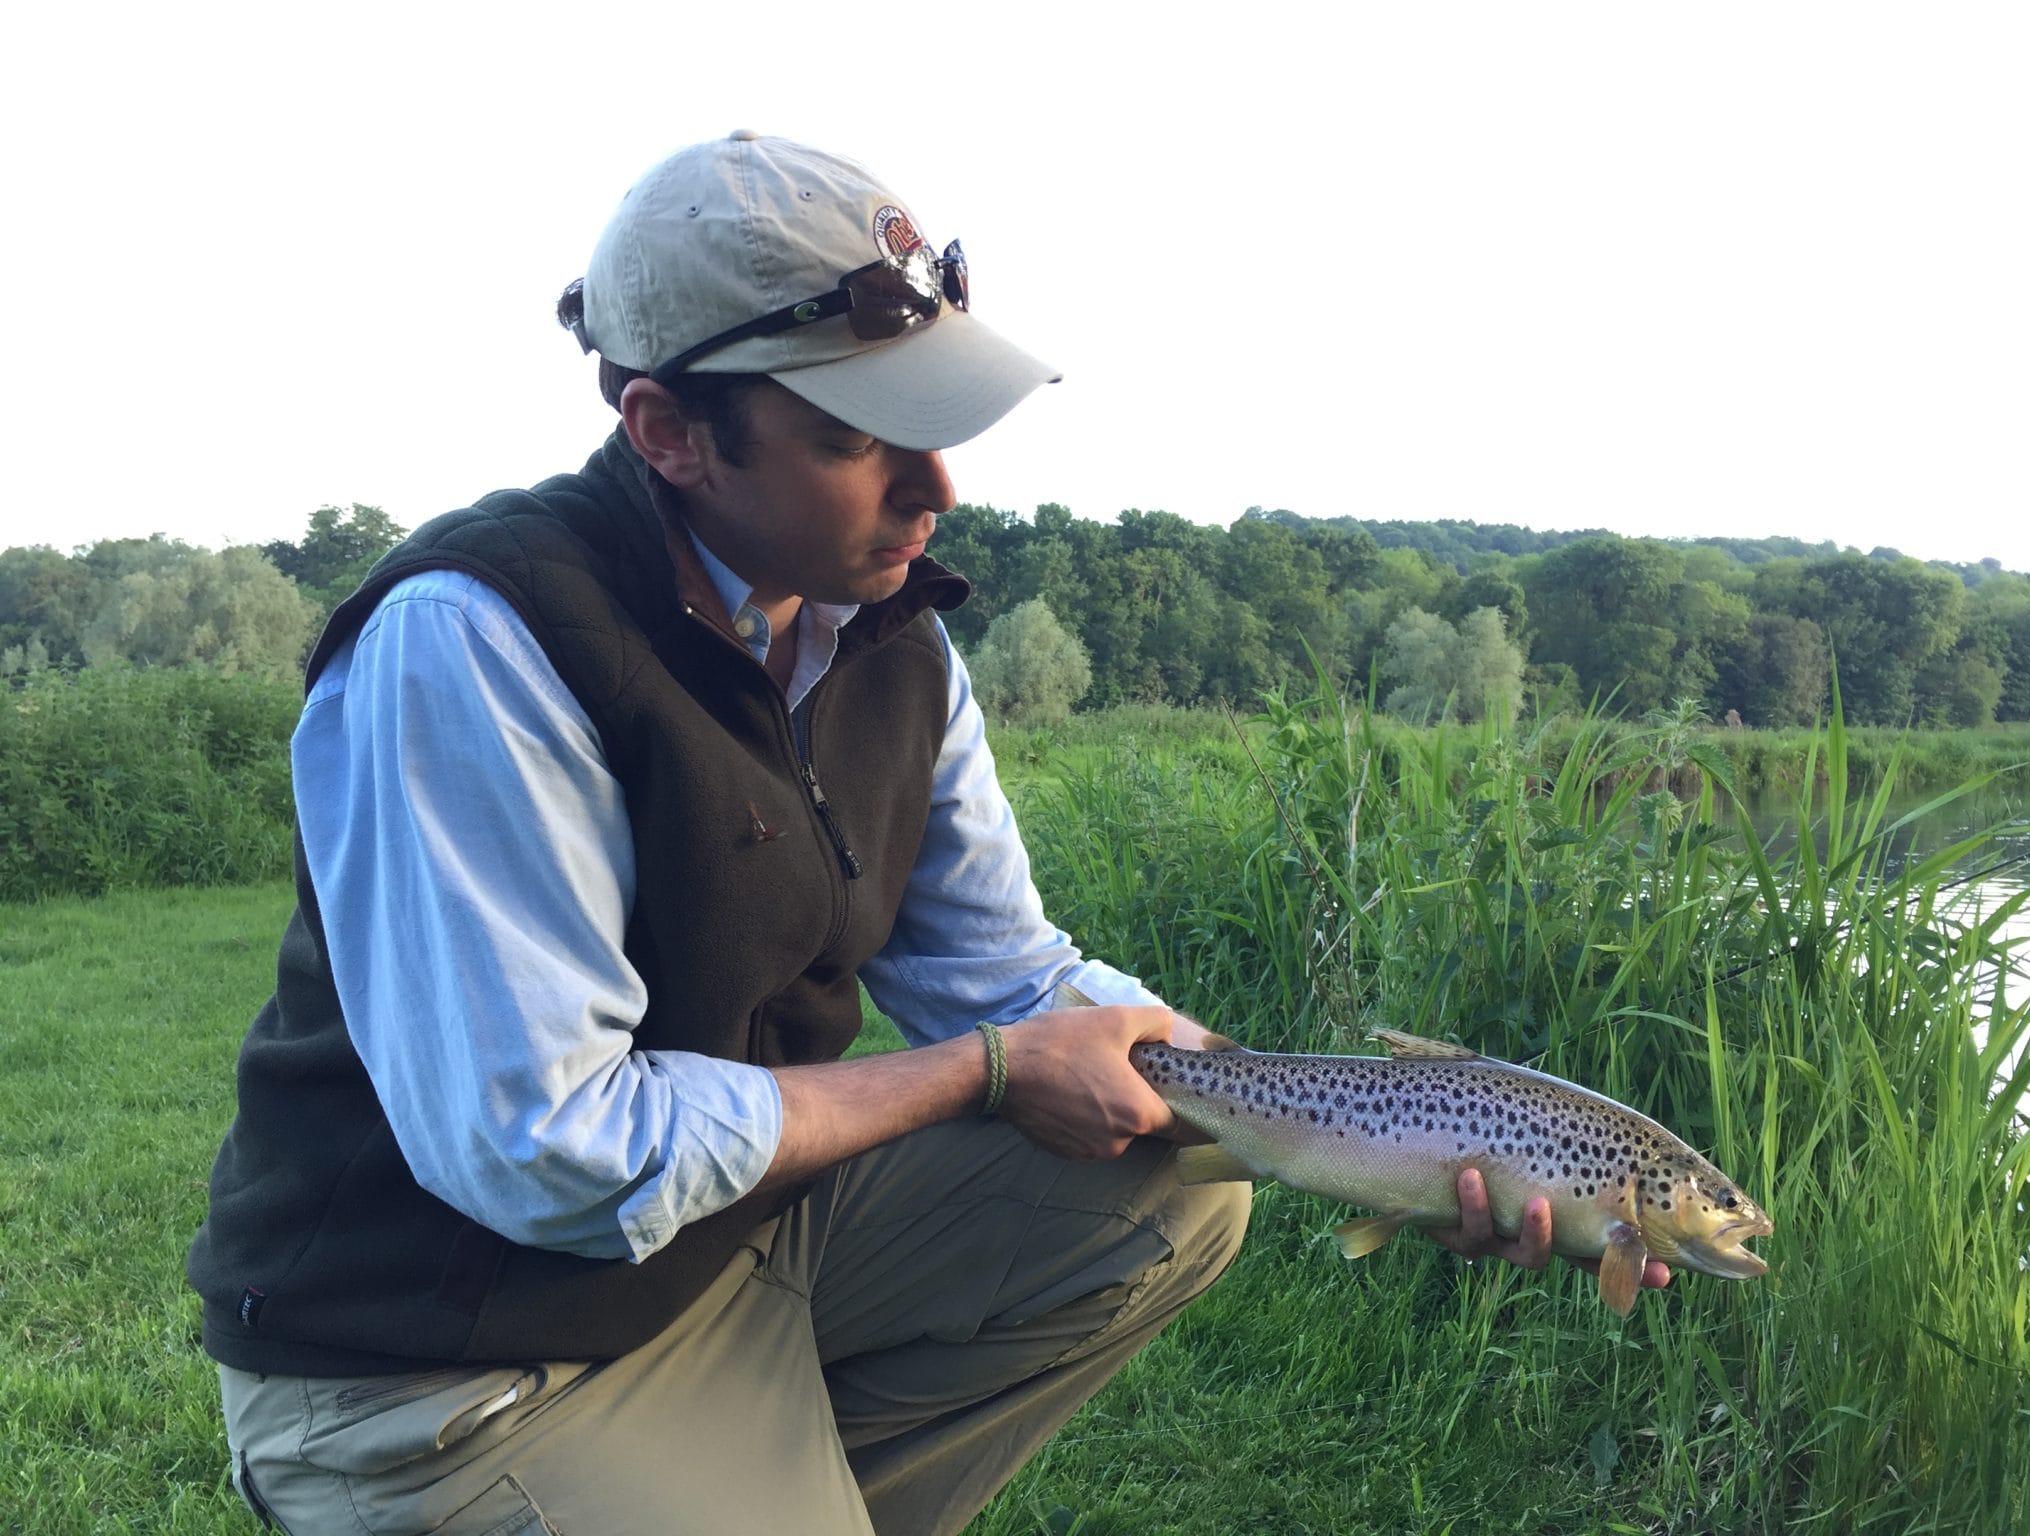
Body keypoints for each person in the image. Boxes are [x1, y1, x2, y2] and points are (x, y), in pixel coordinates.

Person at [186, 130, 1660, 1536]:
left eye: (937, 426)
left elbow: (1009, 977)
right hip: (451, 1366)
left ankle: (758, 1481)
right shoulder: (476, 643)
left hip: (716, 1262)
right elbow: (550, 1152)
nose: (937, 487)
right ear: (669, 432)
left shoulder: (886, 641)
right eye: (859, 435)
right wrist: (987, 1074)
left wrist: (1373, 1143)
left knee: (1168, 1195)